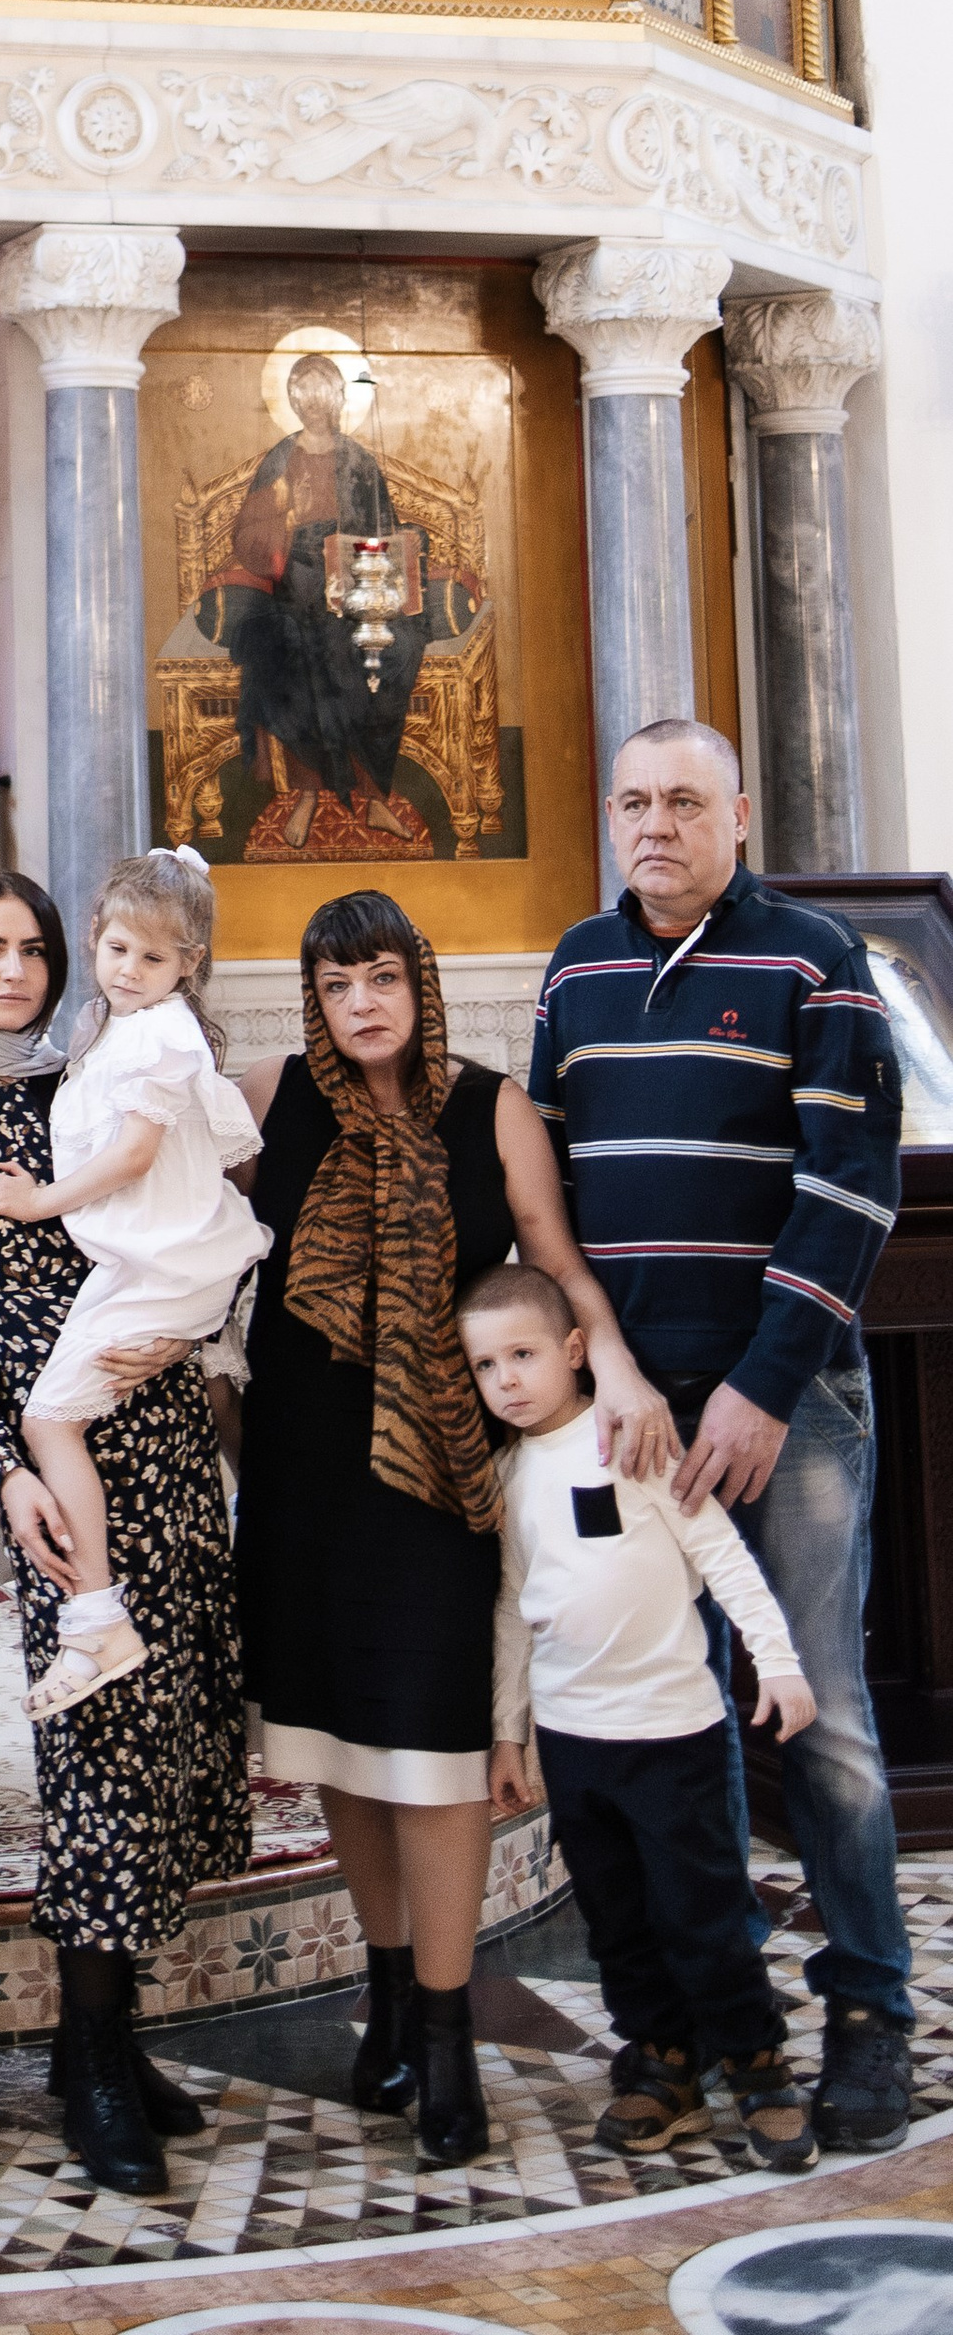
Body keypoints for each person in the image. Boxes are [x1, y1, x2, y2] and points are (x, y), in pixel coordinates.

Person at [230, 888, 670, 2170]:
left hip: (439, 1483)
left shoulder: (493, 1107)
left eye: (379, 977)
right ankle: (382, 1993)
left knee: (433, 1749)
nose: (358, 1003)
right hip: (305, 1476)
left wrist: (619, 1369)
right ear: (309, 999)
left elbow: (554, 1258)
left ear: (418, 982)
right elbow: (179, 1240)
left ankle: (442, 2034)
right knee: (339, 1748)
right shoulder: (265, 1100)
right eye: (332, 984)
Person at [529, 717, 911, 2155]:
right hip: (630, 1409)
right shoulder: (577, 966)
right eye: (631, 801)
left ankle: (871, 2009)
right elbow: (550, 1184)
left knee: (820, 1715)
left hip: (783, 1400)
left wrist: (757, 1384)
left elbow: (849, 1187)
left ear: (739, 815)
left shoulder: (815, 959)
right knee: (681, 1726)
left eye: (684, 801)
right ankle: (712, 2020)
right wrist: (606, 1370)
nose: (654, 826)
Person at [0, 867, 250, 2196]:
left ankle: (122, 2028)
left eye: (36, 948)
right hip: (57, 1466)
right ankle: (83, 2055)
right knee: (96, 1748)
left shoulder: (96, 1070)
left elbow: (184, 1204)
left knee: (174, 1739)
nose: (16, 973)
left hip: (163, 1440)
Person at [461, 1264, 820, 2176]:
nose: (505, 1378)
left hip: (674, 1733)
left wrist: (775, 1658)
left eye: (524, 1354)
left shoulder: (632, 1443)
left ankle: (755, 2058)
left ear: (575, 1351)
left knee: (700, 1910)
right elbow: (512, 1608)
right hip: (578, 1744)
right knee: (616, 1916)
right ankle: (662, 2060)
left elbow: (722, 1555)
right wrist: (511, 1730)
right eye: (485, 1364)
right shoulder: (505, 1475)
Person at [0, 848, 267, 1715]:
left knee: (49, 1418)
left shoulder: (162, 1032)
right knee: (59, 1419)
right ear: (94, 935)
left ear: (189, 965)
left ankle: (97, 1621)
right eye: (119, 948)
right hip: (146, 1262)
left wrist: (35, 1203)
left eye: (155, 959)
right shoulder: (119, 1027)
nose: (131, 971)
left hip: (160, 1268)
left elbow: (134, 1153)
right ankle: (98, 1617)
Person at [203, 347, 426, 851]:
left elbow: (386, 531)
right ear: (294, 403)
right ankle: (306, 792)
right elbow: (248, 538)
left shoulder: (359, 461)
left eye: (324, 398)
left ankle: (374, 795)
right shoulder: (281, 458)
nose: (315, 408)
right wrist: (279, 514)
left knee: (401, 650)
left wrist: (369, 563)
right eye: (305, 399)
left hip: (357, 583)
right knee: (291, 652)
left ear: (339, 401)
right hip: (298, 583)